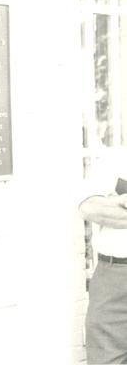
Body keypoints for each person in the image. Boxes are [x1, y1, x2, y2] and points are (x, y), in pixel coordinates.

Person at [79, 151, 127, 364]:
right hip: (114, 278)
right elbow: (90, 207)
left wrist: (118, 204)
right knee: (106, 359)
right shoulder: (115, 159)